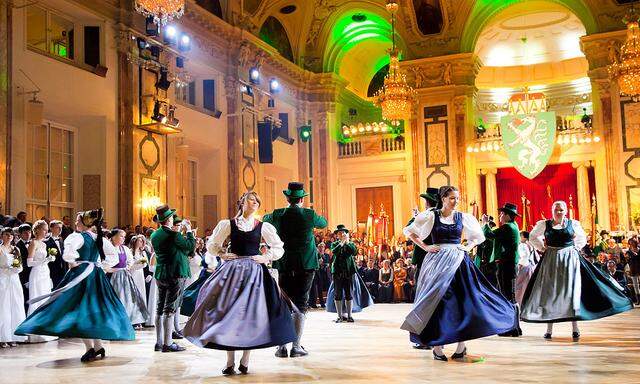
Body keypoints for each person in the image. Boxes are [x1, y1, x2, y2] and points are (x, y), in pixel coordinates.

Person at [184, 192, 296, 375]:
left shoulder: (263, 226)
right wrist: (221, 253)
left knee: (250, 315)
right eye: (251, 199)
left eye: (257, 201)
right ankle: (229, 362)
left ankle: (245, 360)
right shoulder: (228, 224)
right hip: (233, 272)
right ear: (242, 203)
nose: (254, 203)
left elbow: (278, 247)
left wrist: (265, 256)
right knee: (229, 315)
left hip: (254, 274)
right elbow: (212, 244)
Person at [401, 186, 516, 361]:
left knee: (463, 302)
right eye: (452, 198)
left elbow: (478, 237)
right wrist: (425, 246)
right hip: (437, 263)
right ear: (443, 199)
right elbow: (408, 231)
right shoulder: (432, 216)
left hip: (459, 262)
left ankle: (461, 347)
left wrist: (467, 247)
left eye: (457, 198)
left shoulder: (463, 217)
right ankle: (438, 348)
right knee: (438, 303)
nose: (456, 201)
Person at [15, 208, 135, 362]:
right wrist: (100, 265)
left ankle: (91, 348)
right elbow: (113, 256)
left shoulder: (79, 237)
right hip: (95, 275)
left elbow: (68, 254)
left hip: (82, 274)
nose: (76, 222)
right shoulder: (100, 238)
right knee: (92, 310)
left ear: (85, 223)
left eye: (78, 220)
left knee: (77, 309)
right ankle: (97, 346)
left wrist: (74, 262)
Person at [521, 201, 634, 340]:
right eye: (556, 210)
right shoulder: (545, 224)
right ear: (552, 210)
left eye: (561, 210)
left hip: (570, 260)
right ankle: (549, 329)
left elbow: (581, 239)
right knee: (550, 292)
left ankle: (575, 328)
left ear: (566, 211)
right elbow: (532, 237)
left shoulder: (572, 224)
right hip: (551, 259)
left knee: (571, 292)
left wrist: (575, 248)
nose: (559, 212)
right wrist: (543, 248)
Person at [263, 182, 328, 358]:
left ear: (287, 198)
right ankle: (296, 346)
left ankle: (281, 347)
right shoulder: (309, 214)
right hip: (305, 265)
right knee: (300, 304)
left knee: (284, 303)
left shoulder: (278, 214)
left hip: (284, 264)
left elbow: (264, 220)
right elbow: (324, 223)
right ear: (301, 199)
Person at [150, 205, 195, 352]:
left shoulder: (154, 235)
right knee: (170, 309)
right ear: (169, 219)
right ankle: (168, 344)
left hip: (161, 273)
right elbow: (190, 247)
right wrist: (188, 231)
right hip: (175, 274)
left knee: (159, 308)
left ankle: (159, 342)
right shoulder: (173, 235)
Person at [482, 202, 522, 337]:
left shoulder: (507, 227)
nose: (500, 215)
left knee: (506, 296)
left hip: (506, 264)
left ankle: (511, 328)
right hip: (510, 264)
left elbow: (489, 235)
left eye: (502, 213)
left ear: (507, 215)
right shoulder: (514, 226)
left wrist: (485, 223)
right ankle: (515, 327)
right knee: (509, 295)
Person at [325, 225, 373, 322]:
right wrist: (342, 243)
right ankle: (339, 316)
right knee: (337, 294)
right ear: (337, 235)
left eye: (343, 232)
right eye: (339, 233)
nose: (341, 234)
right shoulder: (334, 244)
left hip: (348, 272)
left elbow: (354, 252)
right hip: (337, 272)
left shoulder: (350, 244)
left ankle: (350, 315)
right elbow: (334, 251)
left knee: (349, 293)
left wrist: (346, 242)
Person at [108, 229, 149, 329]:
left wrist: (128, 266)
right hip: (111, 276)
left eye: (124, 236)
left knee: (127, 299)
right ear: (114, 237)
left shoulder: (124, 249)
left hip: (124, 276)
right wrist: (112, 269)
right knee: (115, 298)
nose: (123, 238)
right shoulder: (109, 248)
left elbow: (130, 261)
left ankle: (128, 321)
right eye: (121, 236)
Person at [26, 220, 58, 343]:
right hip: (36, 273)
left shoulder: (44, 244)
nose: (46, 232)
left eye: (46, 229)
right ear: (37, 230)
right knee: (37, 298)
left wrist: (49, 260)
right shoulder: (33, 243)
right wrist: (45, 260)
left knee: (46, 300)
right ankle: (35, 331)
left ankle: (46, 329)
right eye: (44, 229)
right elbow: (29, 263)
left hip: (45, 273)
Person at [0, 227, 27, 347]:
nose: (9, 236)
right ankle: (3, 337)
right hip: (3, 279)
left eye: (11, 234)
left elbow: (21, 266)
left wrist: (16, 269)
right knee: (4, 306)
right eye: (6, 234)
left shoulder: (16, 249)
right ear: (2, 236)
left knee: (16, 305)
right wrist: (7, 269)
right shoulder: (0, 249)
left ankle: (14, 336)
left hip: (15, 280)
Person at [409, 188, 440, 282]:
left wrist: (415, 217)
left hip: (423, 255)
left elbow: (409, 231)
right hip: (440, 256)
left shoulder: (425, 215)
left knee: (422, 285)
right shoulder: (443, 215)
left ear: (427, 203)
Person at [515, 231, 538, 305]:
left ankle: (519, 301)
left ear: (524, 237)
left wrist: (520, 265)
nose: (519, 237)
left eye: (520, 236)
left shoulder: (522, 245)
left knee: (520, 285)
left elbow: (524, 256)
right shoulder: (530, 244)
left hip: (524, 266)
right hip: (530, 266)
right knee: (527, 284)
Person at [45, 220, 67, 288]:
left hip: (63, 271)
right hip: (52, 272)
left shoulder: (61, 240)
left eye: (61, 227)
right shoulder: (46, 242)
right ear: (51, 228)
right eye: (58, 227)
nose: (60, 229)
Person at [15, 223, 31, 310]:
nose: (28, 234)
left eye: (29, 232)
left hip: (34, 275)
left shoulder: (33, 243)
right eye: (25, 233)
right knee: (25, 299)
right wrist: (25, 280)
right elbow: (19, 264)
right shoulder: (17, 247)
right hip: (23, 277)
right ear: (20, 234)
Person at [627, 238, 640, 304]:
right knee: (635, 285)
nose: (631, 244)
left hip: (639, 267)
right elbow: (628, 260)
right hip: (633, 268)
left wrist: (636, 255)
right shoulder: (629, 250)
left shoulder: (639, 249)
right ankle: (638, 300)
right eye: (630, 242)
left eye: (633, 242)